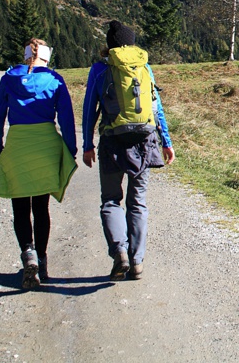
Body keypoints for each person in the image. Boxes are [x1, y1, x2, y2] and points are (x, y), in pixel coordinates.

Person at [82, 21, 174, 281]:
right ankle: (137, 261)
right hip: (145, 142)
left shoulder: (100, 69)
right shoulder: (144, 67)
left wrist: (87, 144)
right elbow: (157, 108)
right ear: (132, 42)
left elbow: (90, 108)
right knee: (138, 202)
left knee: (111, 200)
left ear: (109, 45)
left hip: (112, 142)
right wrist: (166, 141)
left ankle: (119, 251)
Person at [0, 38, 78, 289]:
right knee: (41, 206)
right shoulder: (54, 79)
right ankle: (42, 259)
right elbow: (67, 118)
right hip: (45, 145)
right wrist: (70, 149)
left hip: (18, 145)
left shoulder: (8, 78)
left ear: (26, 55)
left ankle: (28, 254)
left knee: (20, 205)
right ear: (46, 57)